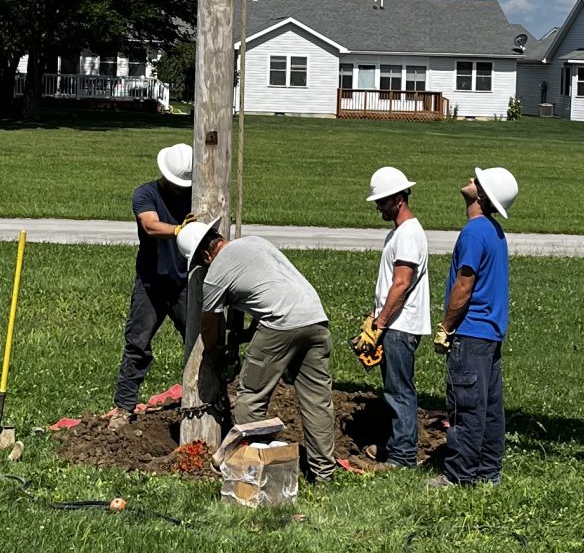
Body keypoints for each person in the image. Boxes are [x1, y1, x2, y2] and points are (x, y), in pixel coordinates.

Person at [179, 219, 340, 483]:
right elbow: (269, 288)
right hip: (315, 318)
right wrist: (246, 334)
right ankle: (324, 474)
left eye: (201, 263)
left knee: (251, 399)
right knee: (317, 401)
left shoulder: (216, 271)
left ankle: (256, 473)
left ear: (206, 254)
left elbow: (210, 325)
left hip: (280, 323)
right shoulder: (254, 242)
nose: (204, 268)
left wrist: (215, 354)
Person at [438, 163, 515, 486]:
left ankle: (459, 476)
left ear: (481, 195)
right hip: (490, 334)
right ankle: (488, 473)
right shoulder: (495, 233)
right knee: (489, 408)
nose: (470, 180)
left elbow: (464, 285)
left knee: (466, 407)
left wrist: (446, 326)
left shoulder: (473, 232)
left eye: (477, 180)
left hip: (470, 333)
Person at [111, 142, 193, 421]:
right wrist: (181, 230)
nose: (180, 189)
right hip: (151, 284)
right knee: (138, 345)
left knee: (198, 343)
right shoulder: (145, 194)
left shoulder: (197, 196)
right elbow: (149, 225)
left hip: (184, 284)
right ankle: (124, 407)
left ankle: (210, 397)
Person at [361, 163, 429, 468]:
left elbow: (401, 283)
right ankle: (395, 445)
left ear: (398, 199)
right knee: (393, 388)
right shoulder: (399, 232)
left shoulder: (409, 235)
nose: (378, 207)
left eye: (382, 201)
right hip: (394, 323)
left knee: (399, 390)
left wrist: (380, 322)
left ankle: (403, 456)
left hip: (401, 326)